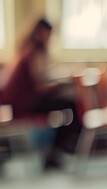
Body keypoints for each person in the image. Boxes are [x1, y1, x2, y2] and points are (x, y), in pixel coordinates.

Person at [0, 18, 80, 169]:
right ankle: (57, 152)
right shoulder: (33, 51)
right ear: (39, 32)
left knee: (68, 106)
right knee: (71, 106)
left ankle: (56, 152)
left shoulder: (28, 49)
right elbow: (39, 86)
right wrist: (59, 84)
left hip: (28, 101)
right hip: (26, 104)